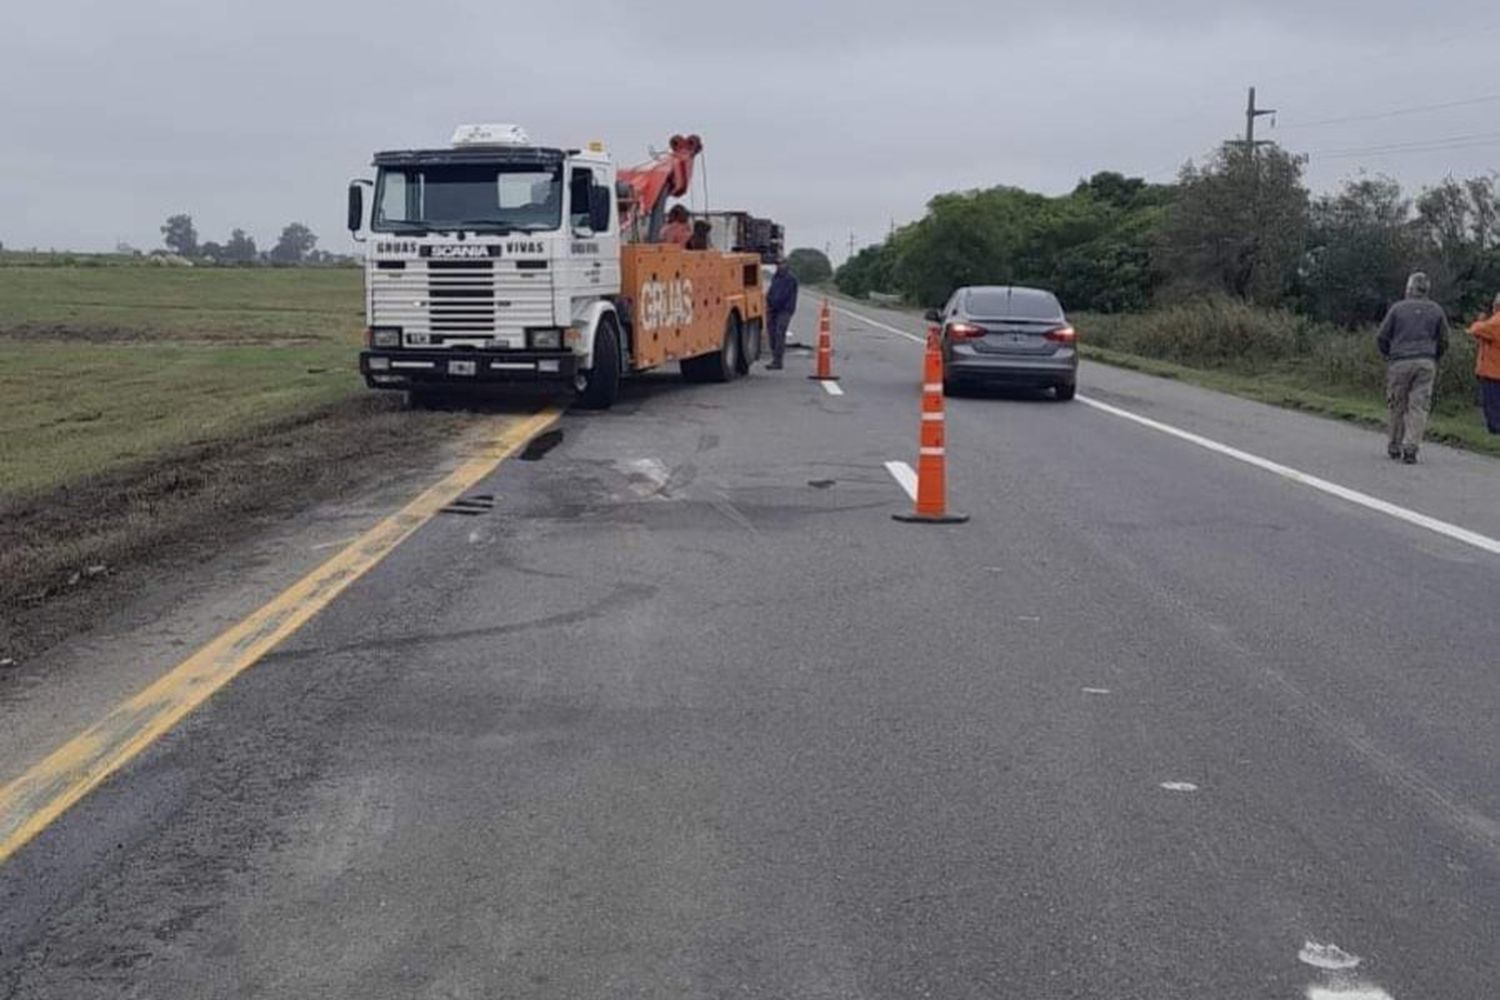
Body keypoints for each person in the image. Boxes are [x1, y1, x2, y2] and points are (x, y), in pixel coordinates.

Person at [1376, 271, 1449, 464]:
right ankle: (1411, 447)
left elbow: (1382, 336)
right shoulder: (1436, 310)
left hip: (1399, 361)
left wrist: (1388, 354)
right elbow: (1444, 339)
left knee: (1397, 404)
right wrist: (1435, 357)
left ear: (1409, 288)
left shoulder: (1397, 309)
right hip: (1426, 361)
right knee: (1419, 406)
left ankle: (1394, 445)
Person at [1469, 292, 1500, 434]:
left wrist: (1480, 321)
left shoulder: (1495, 322)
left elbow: (1476, 330)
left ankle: (1495, 430)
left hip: (1493, 371)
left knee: (1491, 404)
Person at [765, 259, 799, 370]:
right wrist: (769, 302)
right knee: (772, 334)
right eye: (778, 264)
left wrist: (776, 303)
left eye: (782, 264)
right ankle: (774, 357)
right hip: (773, 309)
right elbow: (771, 291)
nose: (780, 266)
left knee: (780, 333)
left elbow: (785, 296)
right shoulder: (776, 277)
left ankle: (778, 361)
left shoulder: (791, 279)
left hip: (785, 310)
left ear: (787, 265)